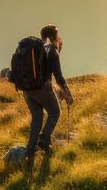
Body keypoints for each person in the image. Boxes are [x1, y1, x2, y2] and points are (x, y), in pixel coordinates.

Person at [23, 25, 73, 163]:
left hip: (27, 91)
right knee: (55, 113)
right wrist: (68, 94)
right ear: (54, 36)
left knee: (37, 118)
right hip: (42, 89)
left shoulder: (36, 49)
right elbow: (58, 76)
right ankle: (44, 140)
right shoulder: (51, 50)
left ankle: (30, 150)